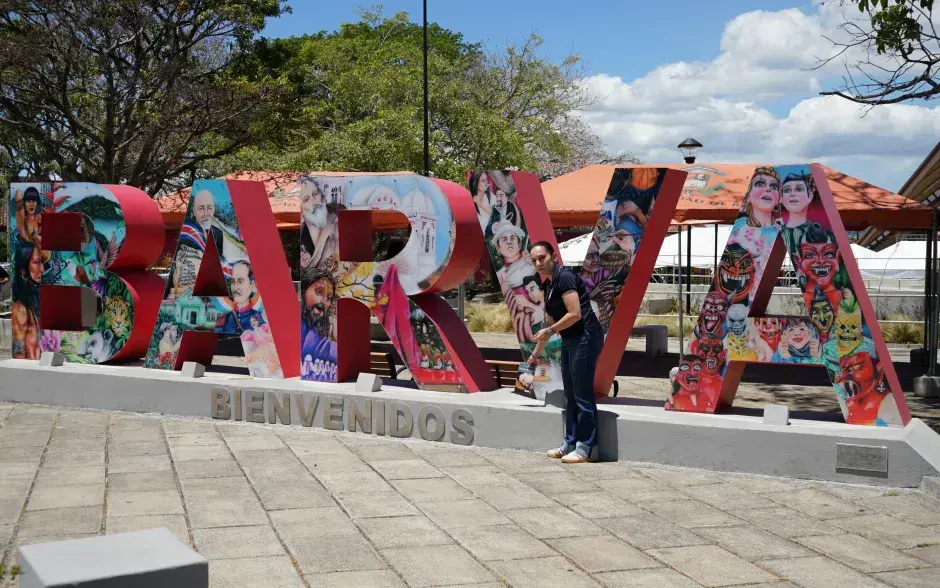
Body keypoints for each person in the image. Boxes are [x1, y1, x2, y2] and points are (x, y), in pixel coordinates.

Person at [528, 240, 604, 463]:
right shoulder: (548, 285)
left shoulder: (566, 277)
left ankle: (586, 448)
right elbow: (548, 327)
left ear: (553, 256)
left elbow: (574, 314)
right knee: (569, 395)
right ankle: (570, 442)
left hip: (586, 337)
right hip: (570, 340)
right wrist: (535, 354)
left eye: (542, 258)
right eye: (534, 261)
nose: (539, 263)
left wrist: (550, 330)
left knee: (581, 393)